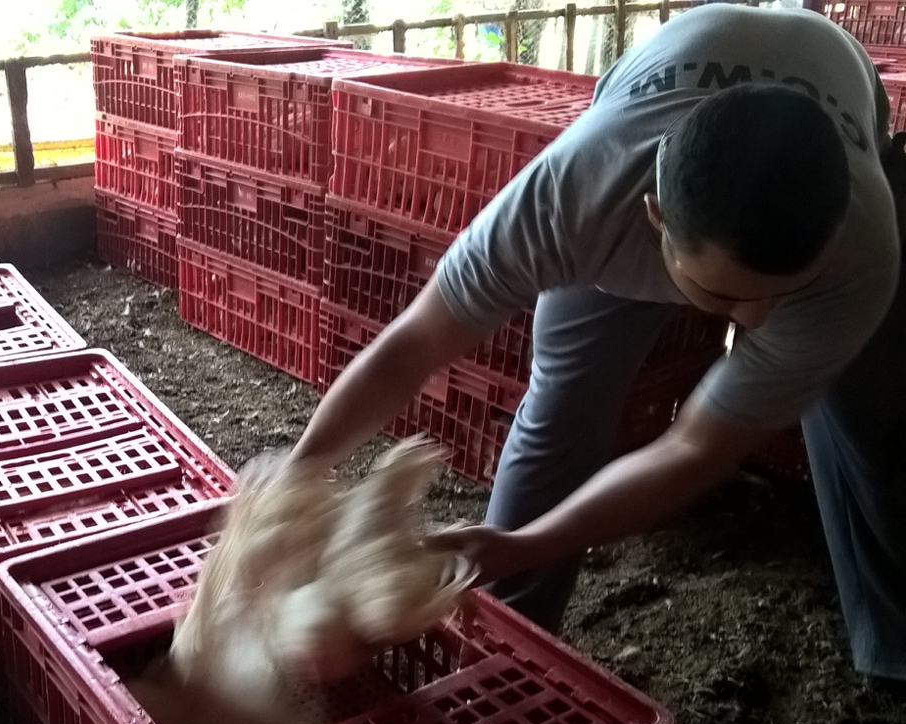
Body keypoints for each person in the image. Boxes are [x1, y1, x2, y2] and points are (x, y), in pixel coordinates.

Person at [287, 3, 906, 685]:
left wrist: (529, 541)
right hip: (647, 124)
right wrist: (299, 471)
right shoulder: (572, 201)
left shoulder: (863, 251)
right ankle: (508, 650)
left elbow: (695, 446)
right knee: (565, 402)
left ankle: (891, 645)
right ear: (656, 220)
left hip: (837, 86)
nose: (751, 319)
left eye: (780, 292)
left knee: (861, 410)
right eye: (725, 298)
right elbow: (415, 342)